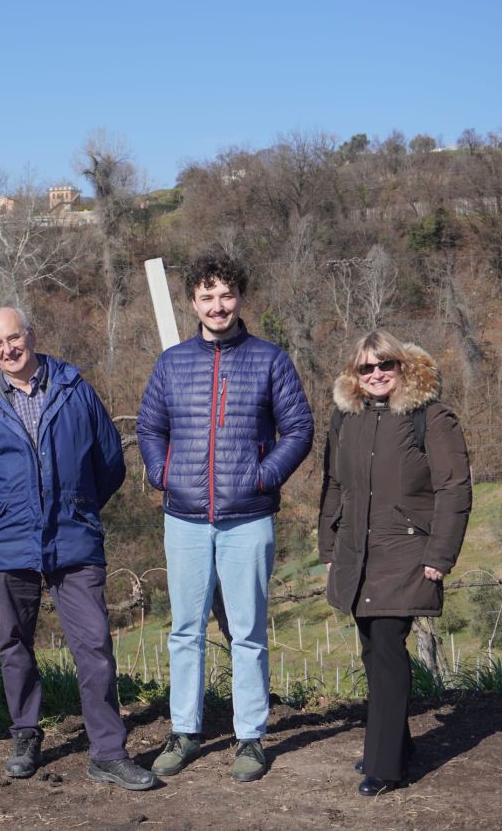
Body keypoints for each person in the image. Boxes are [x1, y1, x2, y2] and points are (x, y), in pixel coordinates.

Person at [0, 306, 157, 791]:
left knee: (94, 647)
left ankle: (108, 752)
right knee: (14, 646)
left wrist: (78, 504)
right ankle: (25, 734)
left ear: (32, 334)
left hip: (74, 538)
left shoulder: (75, 390)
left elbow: (110, 462)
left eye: (15, 338)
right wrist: (14, 510)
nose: (8, 349)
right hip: (9, 543)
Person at [137, 252, 313, 782]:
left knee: (248, 632)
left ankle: (251, 737)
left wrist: (262, 478)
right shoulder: (172, 363)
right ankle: (185, 731)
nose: (217, 305)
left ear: (240, 298)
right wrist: (163, 473)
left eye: (226, 294)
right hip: (185, 516)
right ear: (193, 301)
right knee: (185, 631)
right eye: (207, 296)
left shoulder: (269, 359)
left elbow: (299, 429)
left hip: (248, 517)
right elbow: (150, 427)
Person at [318, 330, 471, 796]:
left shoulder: (432, 417)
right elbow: (333, 487)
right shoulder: (346, 420)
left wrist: (440, 555)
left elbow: (455, 488)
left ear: (404, 367)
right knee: (372, 648)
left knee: (385, 647)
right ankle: (395, 745)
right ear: (355, 374)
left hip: (406, 552)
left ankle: (385, 766)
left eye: (386, 364)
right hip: (357, 553)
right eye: (367, 367)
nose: (377, 373)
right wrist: (329, 550)